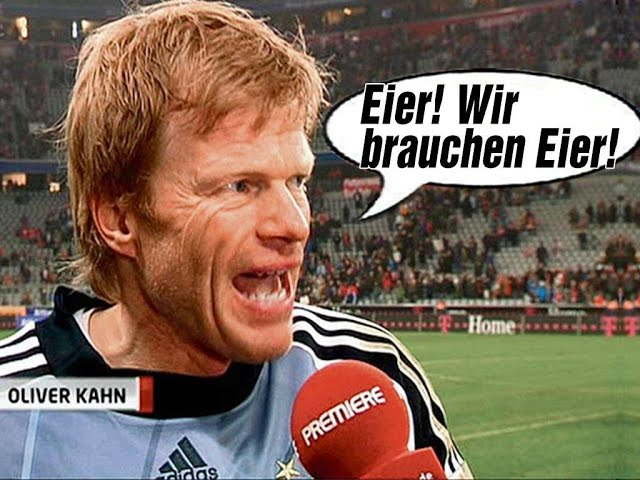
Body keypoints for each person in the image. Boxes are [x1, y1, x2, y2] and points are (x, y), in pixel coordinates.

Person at [0, 1, 472, 478]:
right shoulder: (11, 408)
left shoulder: (368, 375)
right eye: (239, 185)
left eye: (297, 182)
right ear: (121, 220)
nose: (294, 225)